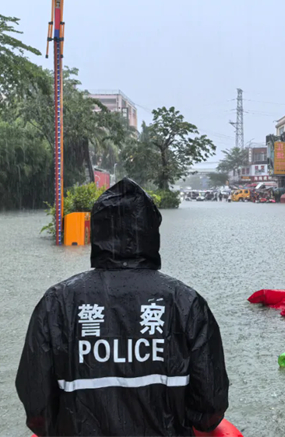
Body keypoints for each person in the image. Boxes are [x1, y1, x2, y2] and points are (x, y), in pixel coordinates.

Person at [16, 178, 229, 436]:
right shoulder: (186, 303)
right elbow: (208, 410)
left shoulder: (57, 303)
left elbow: (38, 409)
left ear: (97, 232)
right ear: (152, 233)